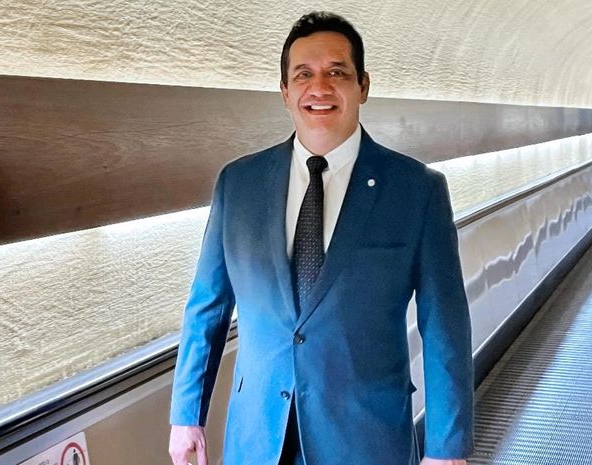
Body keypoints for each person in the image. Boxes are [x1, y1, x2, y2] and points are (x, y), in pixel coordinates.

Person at [168, 11, 473, 465]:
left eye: (337, 73)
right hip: (259, 435)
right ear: (285, 92)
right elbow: (206, 308)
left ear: (362, 86)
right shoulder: (239, 184)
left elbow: (444, 323)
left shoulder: (416, 190)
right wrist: (186, 415)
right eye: (304, 74)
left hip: (365, 437)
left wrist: (446, 447)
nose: (320, 87)